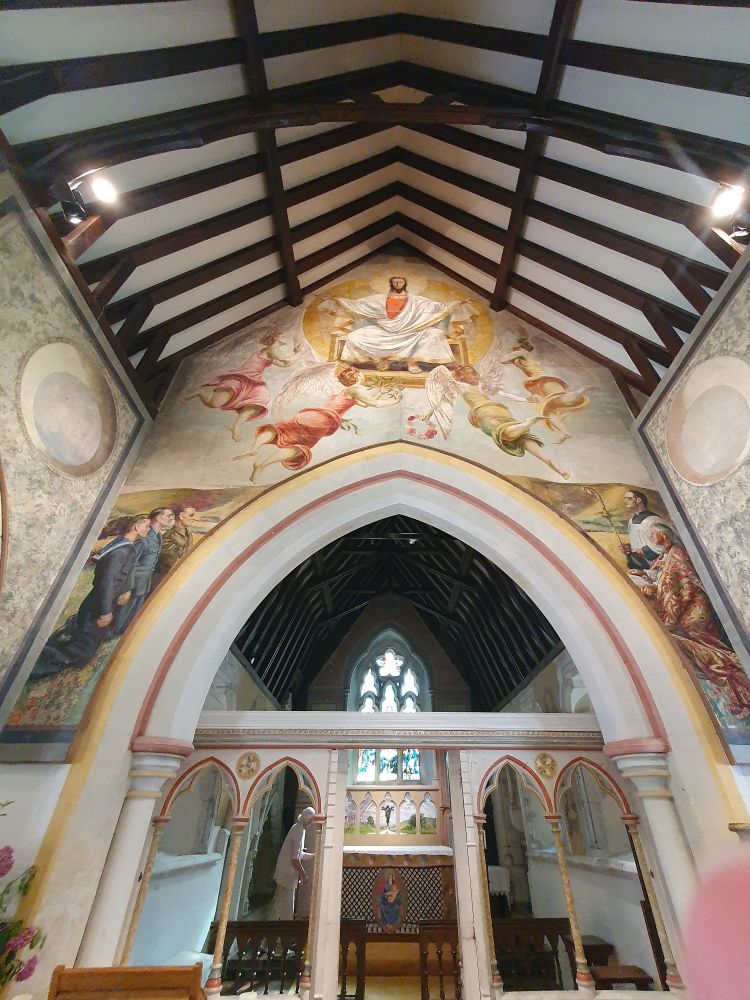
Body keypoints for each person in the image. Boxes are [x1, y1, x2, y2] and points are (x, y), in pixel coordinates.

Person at [635, 523, 750, 721]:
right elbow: (665, 581)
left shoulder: (677, 553)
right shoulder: (666, 555)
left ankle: (735, 674)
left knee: (704, 643)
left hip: (693, 608)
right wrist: (650, 583)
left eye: (653, 533)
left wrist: (664, 605)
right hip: (685, 606)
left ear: (663, 535)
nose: (651, 536)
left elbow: (681, 583)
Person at [233, 366, 401, 483]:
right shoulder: (356, 390)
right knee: (300, 447)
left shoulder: (343, 392)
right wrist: (395, 399)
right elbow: (375, 404)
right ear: (356, 377)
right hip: (322, 421)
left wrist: (381, 391)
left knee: (280, 429)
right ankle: (263, 465)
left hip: (309, 414)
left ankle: (255, 448)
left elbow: (366, 402)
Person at [33, 515, 151, 676]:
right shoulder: (121, 551)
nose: (148, 529)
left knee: (84, 636)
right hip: (101, 603)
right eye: (146, 526)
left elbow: (121, 575)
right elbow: (107, 582)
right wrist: (105, 611)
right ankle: (45, 664)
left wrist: (125, 589)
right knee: (84, 643)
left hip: (103, 600)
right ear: (137, 527)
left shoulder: (125, 546)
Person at [324, 276, 473, 375]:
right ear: (391, 284)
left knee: (435, 335)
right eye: (395, 282)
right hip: (384, 330)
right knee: (355, 336)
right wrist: (337, 300)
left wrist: (458, 303)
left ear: (404, 284)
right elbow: (358, 305)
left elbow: (436, 306)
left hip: (412, 331)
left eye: (400, 282)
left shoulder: (415, 300)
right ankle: (380, 358)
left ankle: (411, 362)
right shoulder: (380, 299)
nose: (397, 284)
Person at [182, 330, 299, 441]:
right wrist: (299, 353)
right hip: (243, 377)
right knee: (214, 404)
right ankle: (199, 393)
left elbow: (284, 365)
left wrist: (296, 354)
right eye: (282, 335)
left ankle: (236, 426)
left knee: (260, 399)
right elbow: (286, 361)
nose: (285, 337)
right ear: (276, 337)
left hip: (255, 380)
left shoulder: (273, 352)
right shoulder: (272, 349)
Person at [499, 331, 595, 444]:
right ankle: (564, 432)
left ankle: (582, 389)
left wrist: (504, 350)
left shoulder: (521, 353)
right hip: (536, 383)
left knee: (558, 398)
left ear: (519, 344)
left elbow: (503, 360)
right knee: (548, 410)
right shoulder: (522, 354)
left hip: (541, 380)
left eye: (514, 343)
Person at [113, 508, 175, 634]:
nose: (171, 518)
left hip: (143, 583)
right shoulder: (145, 537)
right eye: (168, 515)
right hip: (133, 582)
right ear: (159, 517)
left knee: (130, 616)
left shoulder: (158, 536)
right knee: (120, 617)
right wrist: (127, 588)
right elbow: (131, 563)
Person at [269, 807, 316, 920]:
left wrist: (315, 855)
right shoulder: (298, 830)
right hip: (287, 875)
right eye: (311, 820)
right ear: (307, 819)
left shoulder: (299, 828)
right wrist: (304, 875)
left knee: (278, 904)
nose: (311, 823)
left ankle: (271, 931)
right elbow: (295, 859)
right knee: (287, 906)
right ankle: (285, 934)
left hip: (286, 874)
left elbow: (300, 854)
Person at [150, 505, 197, 588]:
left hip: (179, 578)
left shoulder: (188, 534)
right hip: (164, 581)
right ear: (181, 516)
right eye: (191, 515)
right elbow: (171, 563)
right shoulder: (169, 536)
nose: (194, 518)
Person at [620, 489, 665, 569]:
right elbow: (637, 541)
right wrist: (628, 548)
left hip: (655, 564)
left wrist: (643, 551)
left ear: (638, 500)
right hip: (640, 562)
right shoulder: (631, 521)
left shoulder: (653, 519)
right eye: (625, 498)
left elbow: (663, 544)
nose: (625, 501)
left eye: (629, 498)